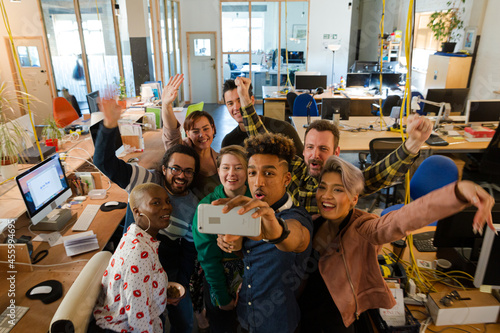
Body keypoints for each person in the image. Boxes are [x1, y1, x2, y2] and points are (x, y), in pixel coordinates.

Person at [299, 156, 495, 332]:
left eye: (338, 189)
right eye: (323, 187)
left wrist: (457, 192)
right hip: (300, 310)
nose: (326, 195)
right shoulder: (313, 222)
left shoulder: (362, 229)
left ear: (354, 199)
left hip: (334, 320)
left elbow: (400, 220)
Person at [233, 76, 433, 215]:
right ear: (303, 150)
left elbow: (380, 175)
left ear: (336, 152)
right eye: (310, 147)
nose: (314, 155)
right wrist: (244, 98)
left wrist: (413, 143)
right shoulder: (293, 168)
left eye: (323, 149)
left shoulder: (345, 178)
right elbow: (263, 141)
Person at [94, 98, 200, 333]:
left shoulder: (193, 207)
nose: (181, 176)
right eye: (175, 169)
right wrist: (110, 124)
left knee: (185, 322)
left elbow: (189, 251)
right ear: (164, 169)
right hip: (137, 266)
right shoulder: (146, 182)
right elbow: (103, 161)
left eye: (188, 171)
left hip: (168, 267)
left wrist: (180, 283)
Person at [212, 133, 313, 333]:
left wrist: (275, 229)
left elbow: (293, 238)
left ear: (286, 179)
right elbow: (253, 259)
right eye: (252, 173)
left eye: (268, 173)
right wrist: (235, 246)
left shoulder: (298, 218)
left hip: (278, 324)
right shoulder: (249, 211)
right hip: (245, 316)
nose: (258, 182)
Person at [92, 183, 173, 333]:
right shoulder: (139, 254)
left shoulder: (135, 235)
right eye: (156, 203)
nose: (167, 207)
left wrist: (161, 292)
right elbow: (138, 318)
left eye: (167, 201)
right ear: (137, 212)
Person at [192, 145, 251, 332]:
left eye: (238, 167)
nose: (231, 173)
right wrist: (222, 297)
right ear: (218, 171)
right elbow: (208, 258)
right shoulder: (207, 206)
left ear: (248, 171)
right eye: (226, 167)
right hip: (220, 282)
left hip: (253, 278)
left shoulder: (258, 202)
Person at [161, 74, 220, 200]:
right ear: (187, 133)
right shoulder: (182, 152)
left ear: (213, 128)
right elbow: (171, 133)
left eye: (206, 129)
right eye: (195, 131)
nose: (202, 135)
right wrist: (166, 105)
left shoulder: (220, 159)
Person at [221, 79, 304, 155]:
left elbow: (302, 164)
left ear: (251, 100)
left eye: (240, 100)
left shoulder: (284, 129)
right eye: (230, 103)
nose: (236, 107)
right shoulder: (228, 142)